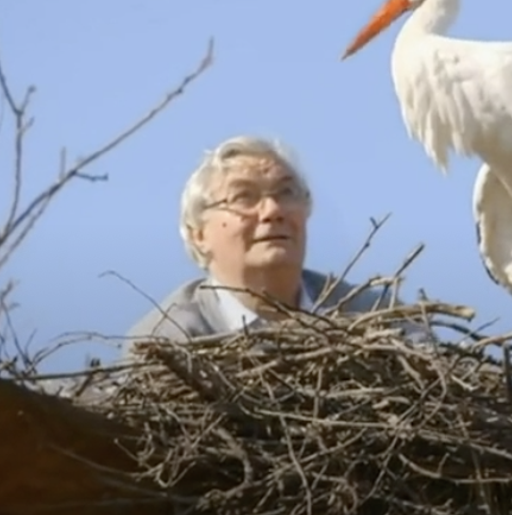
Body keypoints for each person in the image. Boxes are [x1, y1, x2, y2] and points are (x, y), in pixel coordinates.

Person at [125, 135, 392, 357]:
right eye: (244, 196)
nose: (273, 210)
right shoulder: (167, 339)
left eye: (286, 193)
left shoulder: (373, 317)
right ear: (199, 235)